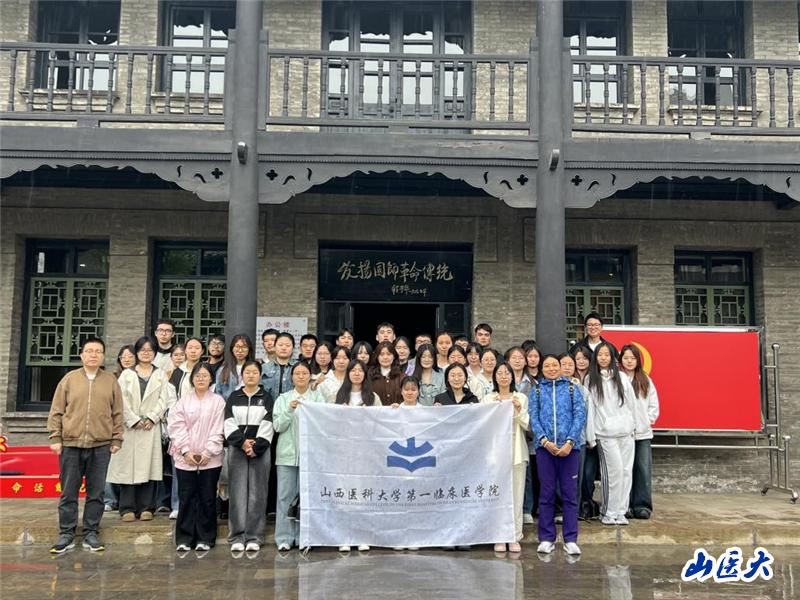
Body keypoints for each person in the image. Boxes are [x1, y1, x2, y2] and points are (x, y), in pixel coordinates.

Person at [48, 337, 124, 554]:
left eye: (98, 351)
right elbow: (56, 411)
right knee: (68, 492)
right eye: (89, 351)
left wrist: (116, 439)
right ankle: (66, 533)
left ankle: (91, 532)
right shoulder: (69, 379)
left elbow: (118, 412)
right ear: (81, 355)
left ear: (103, 356)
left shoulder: (110, 381)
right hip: (71, 444)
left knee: (96, 493)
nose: (93, 355)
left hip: (101, 445)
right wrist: (55, 437)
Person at [107, 336, 174, 522]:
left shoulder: (160, 374)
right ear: (137, 353)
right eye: (142, 350)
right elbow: (121, 400)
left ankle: (147, 507)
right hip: (130, 427)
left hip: (150, 427)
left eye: (150, 350)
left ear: (155, 353)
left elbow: (164, 399)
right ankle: (127, 508)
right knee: (128, 468)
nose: (146, 353)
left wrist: (152, 417)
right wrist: (134, 420)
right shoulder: (127, 375)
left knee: (149, 467)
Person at [529, 354, 586, 556]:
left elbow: (580, 415)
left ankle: (570, 539)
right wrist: (545, 441)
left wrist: (570, 442)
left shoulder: (572, 388)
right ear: (542, 369)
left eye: (555, 365)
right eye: (547, 366)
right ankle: (546, 538)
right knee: (547, 494)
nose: (552, 369)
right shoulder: (537, 390)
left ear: (560, 367)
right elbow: (533, 417)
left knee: (570, 495)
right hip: (545, 450)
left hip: (570, 450)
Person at [167, 363, 225, 554]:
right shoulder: (183, 401)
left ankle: (205, 537)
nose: (201, 379)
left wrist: (208, 452)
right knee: (186, 497)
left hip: (211, 459)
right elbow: (176, 427)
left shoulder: (218, 401)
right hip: (185, 458)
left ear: (211, 379)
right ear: (192, 378)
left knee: (207, 498)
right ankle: (184, 538)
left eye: (205, 375)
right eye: (197, 375)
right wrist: (185, 451)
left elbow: (219, 428)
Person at [273, 362, 326, 551]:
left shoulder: (317, 398)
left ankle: (305, 537)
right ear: (292, 377)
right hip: (287, 456)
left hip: (310, 456)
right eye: (297, 373)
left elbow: (323, 424)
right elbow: (277, 426)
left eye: (305, 373)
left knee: (307, 498)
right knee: (284, 497)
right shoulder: (283, 398)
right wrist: (289, 410)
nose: (301, 376)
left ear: (310, 376)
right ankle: (284, 537)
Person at [224, 360, 275, 554]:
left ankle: (254, 536)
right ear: (242, 375)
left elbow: (268, 423)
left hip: (260, 450)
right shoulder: (233, 397)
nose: (251, 375)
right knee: (237, 492)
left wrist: (257, 446)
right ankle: (236, 536)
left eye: (255, 372)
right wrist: (243, 443)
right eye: (248, 372)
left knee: (258, 493)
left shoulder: (267, 397)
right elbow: (228, 422)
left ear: (260, 376)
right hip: (237, 449)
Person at [585, 342, 636, 526]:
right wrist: (591, 436)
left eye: (607, 354)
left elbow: (632, 404)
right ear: (595, 357)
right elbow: (590, 410)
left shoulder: (622, 377)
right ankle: (608, 512)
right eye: (600, 354)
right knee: (613, 473)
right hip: (606, 435)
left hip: (626, 433)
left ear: (613, 357)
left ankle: (621, 511)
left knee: (626, 472)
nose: (604, 358)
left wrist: (633, 426)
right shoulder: (591, 379)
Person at [482, 362, 529, 553]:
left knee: (516, 495)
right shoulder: (488, 398)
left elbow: (527, 424)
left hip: (516, 450)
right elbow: (483, 425)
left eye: (507, 373)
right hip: (495, 452)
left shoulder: (521, 397)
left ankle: (514, 536)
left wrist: (517, 411)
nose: (503, 376)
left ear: (512, 376)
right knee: (497, 495)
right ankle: (498, 535)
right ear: (494, 377)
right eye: (500, 373)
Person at [163, 337, 206, 519]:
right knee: (179, 466)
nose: (193, 351)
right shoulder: (176, 373)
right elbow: (170, 399)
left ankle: (198, 505)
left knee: (202, 466)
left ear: (202, 351)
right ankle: (177, 504)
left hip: (203, 424)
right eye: (190, 348)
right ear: (185, 350)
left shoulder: (206, 371)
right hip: (181, 424)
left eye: (197, 348)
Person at [619, 344, 659, 520]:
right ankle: (624, 505)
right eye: (626, 358)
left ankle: (642, 505)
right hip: (622, 434)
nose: (629, 361)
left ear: (638, 360)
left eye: (632, 358)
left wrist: (646, 421)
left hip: (642, 434)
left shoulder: (645, 380)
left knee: (642, 469)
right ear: (620, 360)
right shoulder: (617, 379)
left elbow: (653, 405)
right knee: (623, 470)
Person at [105, 345, 135, 513]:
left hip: (133, 426)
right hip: (114, 424)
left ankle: (126, 499)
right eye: (123, 357)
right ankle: (110, 499)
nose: (127, 359)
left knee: (127, 465)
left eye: (130, 356)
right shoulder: (111, 378)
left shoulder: (140, 377)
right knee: (111, 462)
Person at [522, 343, 543, 525]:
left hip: (540, 434)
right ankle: (528, 507)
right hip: (525, 434)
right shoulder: (522, 381)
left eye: (536, 356)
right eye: (529, 356)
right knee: (528, 474)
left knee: (540, 474)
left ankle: (539, 506)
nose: (533, 359)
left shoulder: (544, 378)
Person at [261, 332, 296, 401]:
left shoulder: (299, 367)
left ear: (293, 348)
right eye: (280, 345)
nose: (284, 348)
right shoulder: (264, 368)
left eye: (288, 345)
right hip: (269, 406)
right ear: (274, 347)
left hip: (292, 406)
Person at [368, 341, 403, 406]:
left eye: (389, 354)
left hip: (396, 412)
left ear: (394, 356)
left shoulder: (402, 376)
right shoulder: (369, 375)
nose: (385, 357)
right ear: (377, 357)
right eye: (381, 354)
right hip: (375, 412)